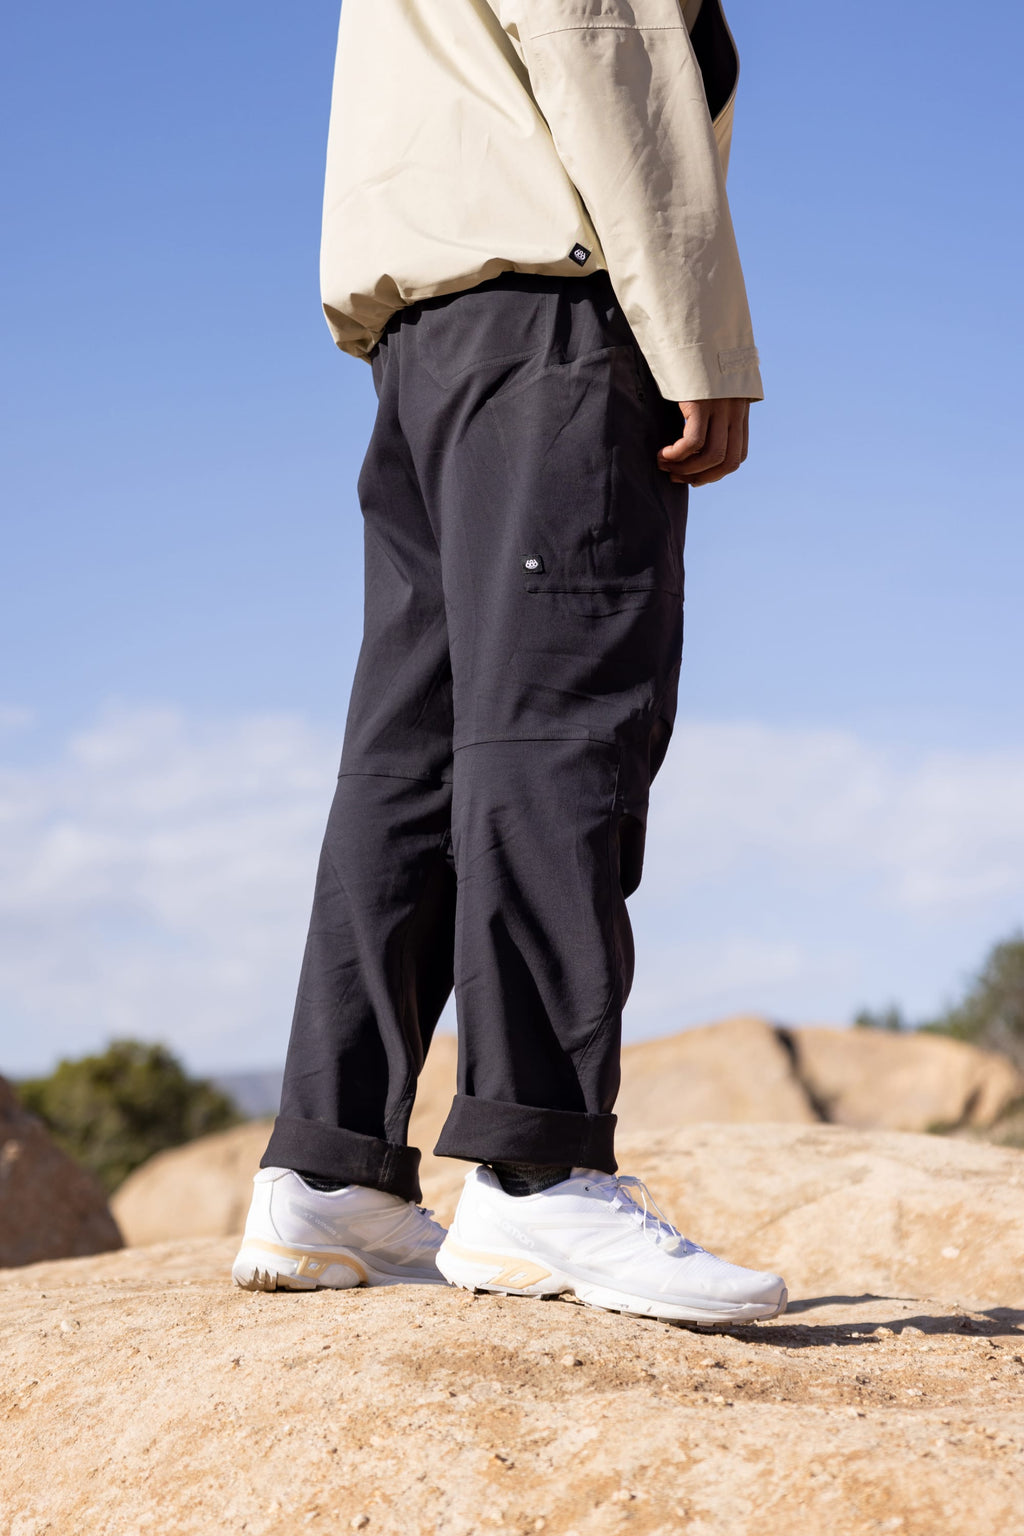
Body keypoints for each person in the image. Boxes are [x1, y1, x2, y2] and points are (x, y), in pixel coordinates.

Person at [232, 0, 787, 1324]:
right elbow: (603, 42)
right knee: (559, 728)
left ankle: (331, 1169)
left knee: (413, 749)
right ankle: (537, 1172)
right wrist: (695, 328)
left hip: (424, 332)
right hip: (553, 310)